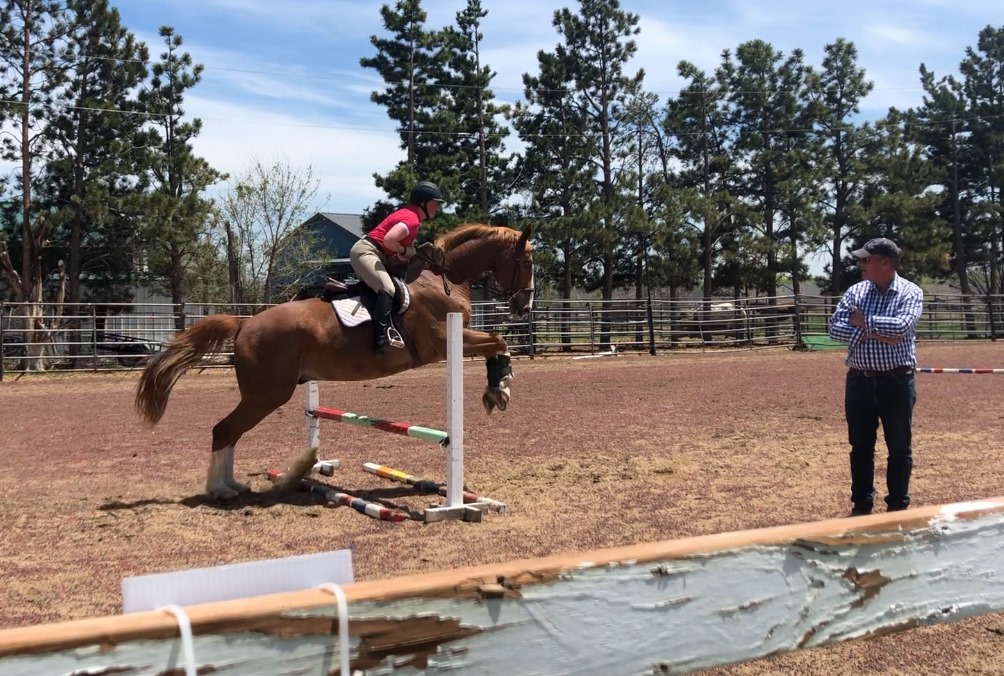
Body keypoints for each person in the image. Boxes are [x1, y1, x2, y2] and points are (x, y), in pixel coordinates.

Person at [828, 237, 923, 516]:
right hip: (860, 380)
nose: (860, 264)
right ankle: (862, 504)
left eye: (865, 260)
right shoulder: (856, 291)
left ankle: (897, 506)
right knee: (860, 446)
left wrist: (863, 322)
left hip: (896, 381)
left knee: (899, 446)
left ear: (885, 262)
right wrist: (878, 330)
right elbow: (835, 330)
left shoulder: (910, 292)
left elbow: (902, 327)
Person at [349, 181, 445, 353]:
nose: (437, 206)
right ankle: (380, 339)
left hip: (376, 253)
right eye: (435, 202)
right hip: (367, 252)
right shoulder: (412, 220)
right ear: (423, 203)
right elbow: (388, 240)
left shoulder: (411, 216)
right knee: (388, 288)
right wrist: (406, 249)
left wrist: (401, 252)